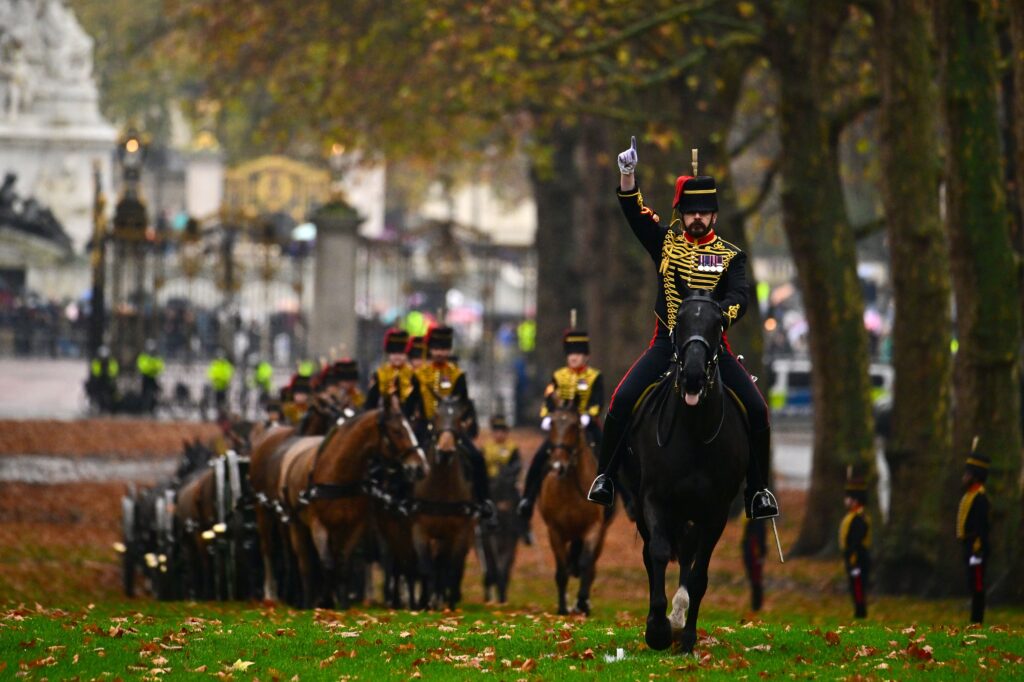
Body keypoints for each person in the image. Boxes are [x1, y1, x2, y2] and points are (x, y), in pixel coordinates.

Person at [586, 136, 779, 521]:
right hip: (666, 344)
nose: (697, 217)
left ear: (715, 216)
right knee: (621, 401)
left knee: (757, 409)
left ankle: (758, 491)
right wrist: (627, 175)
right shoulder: (667, 245)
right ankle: (605, 477)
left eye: (705, 212)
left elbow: (741, 297)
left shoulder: (731, 256)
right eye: (691, 211)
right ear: (681, 212)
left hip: (713, 347)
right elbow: (635, 214)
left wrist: (714, 316)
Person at [517, 328, 604, 522]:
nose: (574, 357)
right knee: (540, 457)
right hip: (562, 428)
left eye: (578, 353)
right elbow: (548, 399)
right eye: (571, 353)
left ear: (586, 356)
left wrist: (588, 416)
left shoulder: (595, 376)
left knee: (608, 452)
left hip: (586, 426)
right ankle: (528, 499)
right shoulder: (558, 376)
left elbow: (598, 401)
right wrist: (547, 416)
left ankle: (623, 495)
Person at [415, 325, 496, 523]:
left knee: (476, 458)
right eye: (436, 348)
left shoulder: (457, 375)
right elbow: (412, 405)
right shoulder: (419, 375)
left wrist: (465, 422)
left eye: (444, 348)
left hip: (452, 429)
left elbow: (465, 404)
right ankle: (404, 499)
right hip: (425, 429)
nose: (440, 352)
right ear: (430, 350)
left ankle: (483, 502)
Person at [957, 446, 990, 624]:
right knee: (972, 584)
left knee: (977, 585)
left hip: (977, 547)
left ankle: (977, 620)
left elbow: (982, 526)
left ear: (975, 476)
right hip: (969, 546)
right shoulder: (970, 495)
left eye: (967, 474)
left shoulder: (980, 498)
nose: (964, 477)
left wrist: (978, 548)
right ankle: (974, 619)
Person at [366, 328, 422, 416]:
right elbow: (370, 404)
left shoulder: (413, 376)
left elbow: (418, 403)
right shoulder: (379, 375)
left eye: (401, 353)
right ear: (388, 354)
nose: (397, 357)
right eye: (394, 353)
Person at [839, 474, 871, 619]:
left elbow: (856, 541)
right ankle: (858, 610)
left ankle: (860, 612)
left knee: (858, 586)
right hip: (852, 557)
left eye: (849, 497)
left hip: (857, 558)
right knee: (854, 585)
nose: (846, 500)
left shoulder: (859, 518)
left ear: (855, 500)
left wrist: (851, 556)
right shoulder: (853, 516)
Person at [741, 518, 767, 612]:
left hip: (755, 549)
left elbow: (761, 535)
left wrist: (761, 551)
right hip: (749, 546)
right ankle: (755, 604)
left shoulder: (759, 519)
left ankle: (756, 605)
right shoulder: (749, 517)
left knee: (756, 579)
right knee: (753, 578)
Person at [88, 344, 119, 413]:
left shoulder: (111, 362)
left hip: (108, 381)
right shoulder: (96, 362)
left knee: (112, 394)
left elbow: (114, 371)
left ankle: (110, 408)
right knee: (97, 393)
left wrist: (109, 374)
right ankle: (98, 407)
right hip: (99, 382)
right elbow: (95, 372)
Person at [136, 339, 164, 414]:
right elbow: (143, 368)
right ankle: (144, 409)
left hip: (153, 378)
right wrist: (153, 368)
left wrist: (151, 368)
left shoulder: (156, 357)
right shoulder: (143, 356)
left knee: (155, 394)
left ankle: (152, 409)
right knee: (145, 394)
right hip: (145, 378)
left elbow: (160, 366)